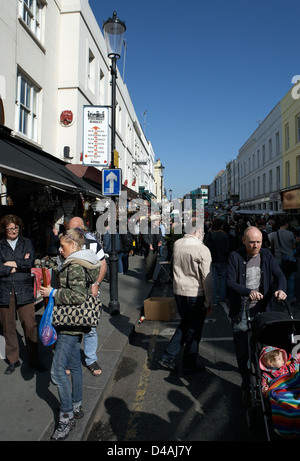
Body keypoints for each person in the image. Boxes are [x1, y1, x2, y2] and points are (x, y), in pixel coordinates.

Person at [40, 228, 102, 440]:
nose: (60, 249)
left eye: (63, 246)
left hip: (68, 324)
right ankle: (76, 405)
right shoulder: (82, 261)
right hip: (77, 323)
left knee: (57, 373)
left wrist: (53, 293)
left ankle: (65, 417)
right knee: (75, 365)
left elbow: (77, 295)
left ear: (73, 246)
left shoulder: (74, 265)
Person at [227, 226, 287, 405]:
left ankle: (266, 382)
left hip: (263, 311)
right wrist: (248, 292)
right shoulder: (235, 256)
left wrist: (282, 290)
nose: (255, 246)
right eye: (251, 242)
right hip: (242, 311)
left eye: (258, 242)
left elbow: (280, 276)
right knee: (243, 353)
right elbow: (230, 282)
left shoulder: (266, 255)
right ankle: (246, 384)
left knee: (266, 350)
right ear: (244, 240)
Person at [159, 218, 213, 373]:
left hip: (179, 291)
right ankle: (189, 364)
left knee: (186, 324)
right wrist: (210, 301)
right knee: (194, 330)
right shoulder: (202, 249)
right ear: (199, 231)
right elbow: (207, 279)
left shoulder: (177, 244)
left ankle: (168, 356)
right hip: (196, 293)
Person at [0, 214, 44, 374]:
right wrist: (17, 266)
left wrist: (13, 264)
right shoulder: (0, 245)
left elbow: (30, 262)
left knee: (30, 324)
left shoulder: (27, 243)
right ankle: (13, 360)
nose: (14, 230)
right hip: (5, 291)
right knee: (8, 326)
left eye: (16, 227)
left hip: (24, 289)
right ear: (4, 229)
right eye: (10, 228)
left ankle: (34, 359)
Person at [68, 217, 107, 376]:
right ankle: (70, 359)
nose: (71, 233)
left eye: (75, 230)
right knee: (70, 326)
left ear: (82, 229)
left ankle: (90, 359)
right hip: (71, 293)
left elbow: (103, 264)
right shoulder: (65, 244)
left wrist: (96, 283)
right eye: (69, 230)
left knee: (89, 327)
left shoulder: (92, 244)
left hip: (89, 291)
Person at [270, 219, 297, 303]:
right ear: (286, 224)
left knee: (280, 278)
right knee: (290, 279)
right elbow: (294, 246)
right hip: (289, 259)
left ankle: (280, 298)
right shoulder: (290, 234)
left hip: (278, 259)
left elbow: (272, 246)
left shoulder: (273, 234)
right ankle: (290, 297)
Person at [204, 218, 230, 305]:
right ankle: (222, 297)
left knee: (214, 279)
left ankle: (214, 299)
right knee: (223, 279)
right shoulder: (225, 236)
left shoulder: (210, 235)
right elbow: (227, 249)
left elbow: (206, 247)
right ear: (221, 226)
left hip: (212, 259)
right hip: (222, 259)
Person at [142, 215, 163, 282]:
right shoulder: (146, 228)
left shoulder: (158, 229)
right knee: (149, 263)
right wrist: (149, 244)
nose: (158, 222)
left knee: (154, 263)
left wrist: (160, 241)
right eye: (157, 221)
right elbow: (145, 238)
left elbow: (160, 236)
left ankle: (151, 276)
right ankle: (148, 277)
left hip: (155, 248)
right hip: (149, 248)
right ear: (153, 222)